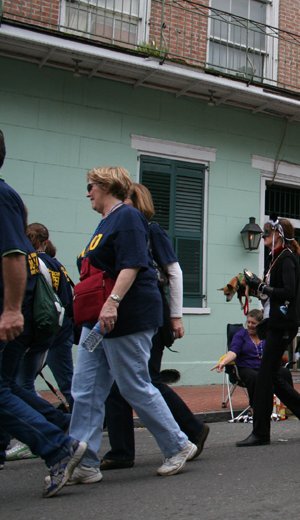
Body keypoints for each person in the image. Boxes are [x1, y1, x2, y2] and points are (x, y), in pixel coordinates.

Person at [68, 167, 197, 483]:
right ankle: (83, 461)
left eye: (90, 186)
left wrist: (112, 302)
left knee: (133, 384)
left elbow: (133, 263)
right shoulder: (106, 221)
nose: (88, 193)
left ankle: (178, 445)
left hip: (126, 315)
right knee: (85, 388)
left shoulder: (127, 216)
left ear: (105, 185)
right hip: (99, 319)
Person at [0, 128, 88, 496]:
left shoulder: (1, 197)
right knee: (11, 387)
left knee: (13, 387)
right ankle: (61, 428)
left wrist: (11, 310)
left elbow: (14, 258)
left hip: (31, 324)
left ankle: (59, 443)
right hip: (38, 327)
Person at [100, 183, 209, 471]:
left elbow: (174, 271)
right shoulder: (118, 229)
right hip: (128, 310)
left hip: (149, 311)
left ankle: (192, 429)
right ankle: (122, 449)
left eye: (122, 198)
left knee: (145, 379)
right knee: (121, 383)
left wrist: (176, 316)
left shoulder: (150, 229)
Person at [238, 217, 300, 446]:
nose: (264, 235)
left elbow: (288, 292)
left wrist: (261, 286)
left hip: (282, 325)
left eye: (267, 231)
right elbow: (270, 296)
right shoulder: (275, 259)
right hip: (275, 322)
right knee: (274, 377)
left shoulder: (286, 258)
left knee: (265, 377)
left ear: (279, 234)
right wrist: (255, 287)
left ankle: (261, 433)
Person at [15, 224, 74, 409]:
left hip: (44, 330)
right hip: (58, 328)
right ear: (46, 241)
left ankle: (59, 421)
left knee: (22, 385)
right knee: (24, 383)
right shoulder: (55, 264)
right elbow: (67, 299)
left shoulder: (32, 263)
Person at [212, 309, 265, 402]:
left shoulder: (265, 336)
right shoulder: (241, 335)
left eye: (253, 323)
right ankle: (256, 408)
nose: (249, 325)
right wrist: (223, 362)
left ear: (260, 324)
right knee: (255, 377)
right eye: (248, 322)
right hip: (246, 368)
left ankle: (286, 406)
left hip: (263, 367)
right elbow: (233, 352)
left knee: (284, 373)